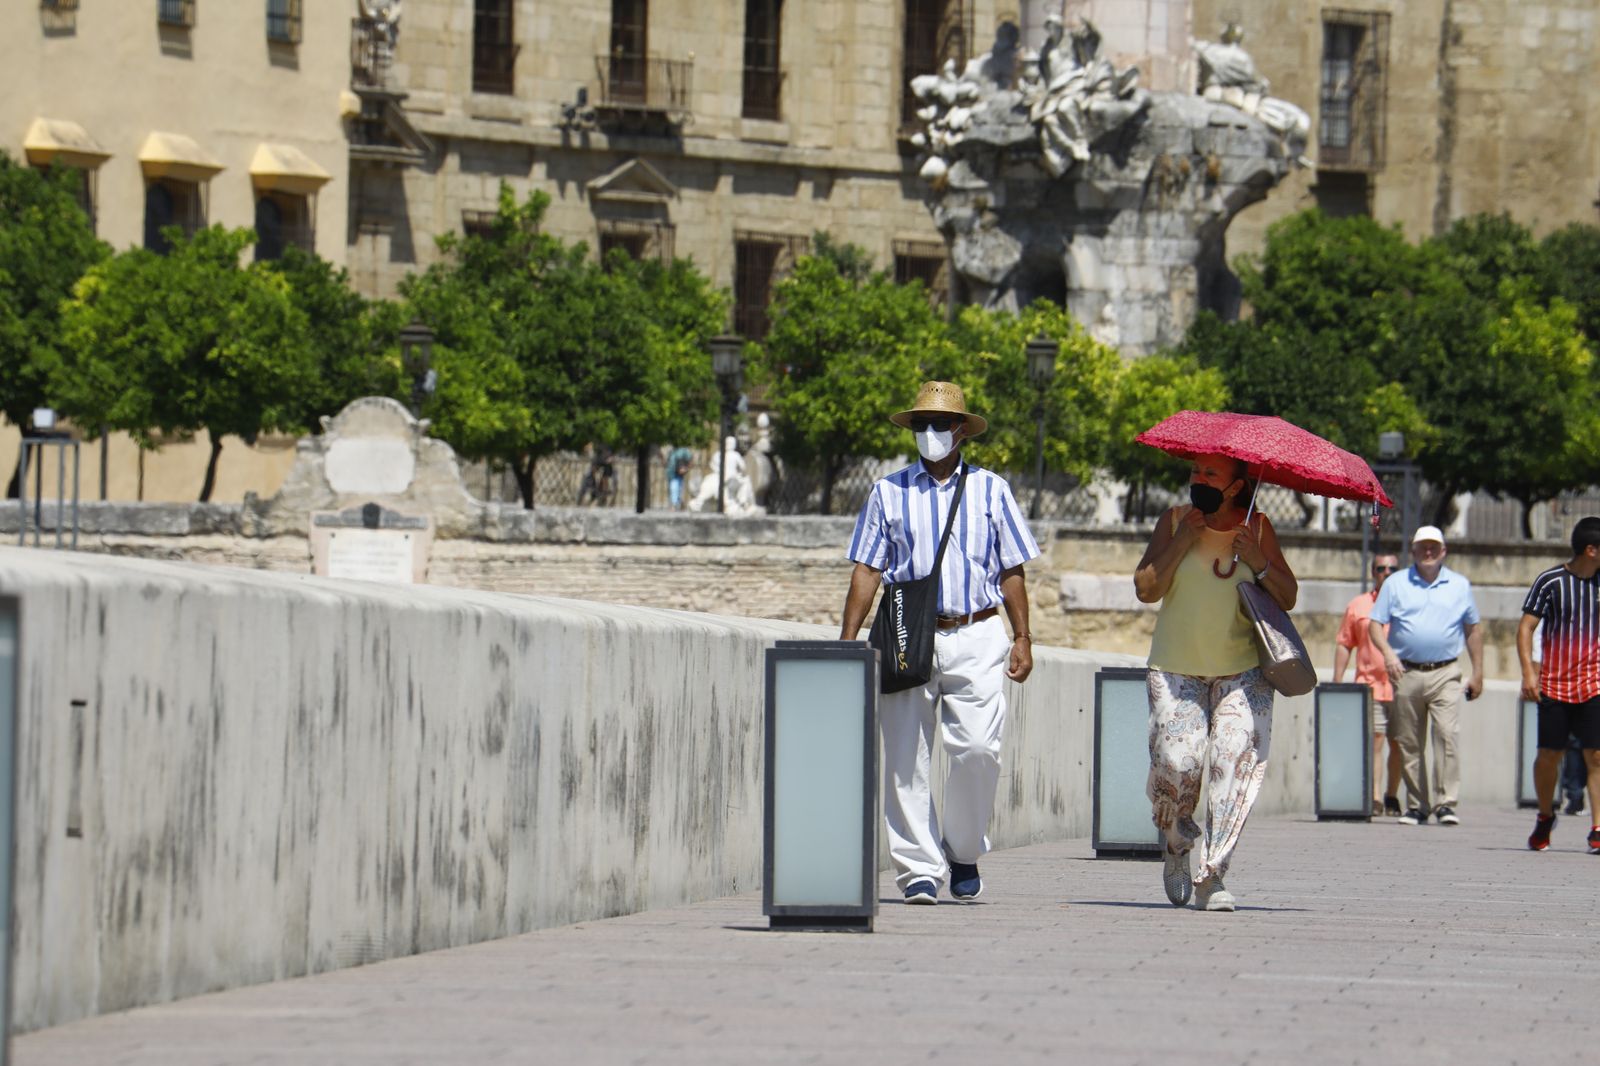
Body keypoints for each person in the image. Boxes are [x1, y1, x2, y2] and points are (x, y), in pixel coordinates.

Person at [839, 381, 1038, 905]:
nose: (929, 434)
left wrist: (1023, 636)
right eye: (920, 425)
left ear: (960, 431)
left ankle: (963, 849)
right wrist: (846, 642)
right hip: (907, 633)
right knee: (906, 755)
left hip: (976, 630)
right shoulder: (888, 491)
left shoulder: (992, 490)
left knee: (977, 750)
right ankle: (918, 870)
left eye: (938, 425)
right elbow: (867, 569)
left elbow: (1012, 569)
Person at [1133, 454, 1297, 912]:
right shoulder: (1175, 521)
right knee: (1178, 760)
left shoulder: (1258, 528)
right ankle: (1176, 840)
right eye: (1195, 472)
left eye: (1211, 475)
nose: (1198, 480)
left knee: (1234, 765)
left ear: (1237, 486)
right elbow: (1146, 587)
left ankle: (1212, 876)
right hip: (1175, 667)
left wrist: (1260, 562)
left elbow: (1289, 595)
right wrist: (1183, 539)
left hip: (1243, 673)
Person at [1368, 526, 1484, 827]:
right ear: (1413, 551)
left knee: (1447, 735)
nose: (1428, 552)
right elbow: (1375, 624)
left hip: (1446, 671)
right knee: (1409, 740)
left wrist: (1478, 673)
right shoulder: (1396, 583)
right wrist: (1389, 655)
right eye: (1422, 547)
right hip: (1406, 670)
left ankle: (1446, 803)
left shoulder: (1459, 585)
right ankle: (1417, 805)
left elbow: (1473, 629)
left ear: (1444, 550)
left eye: (1434, 546)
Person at [1517, 516, 1600, 852]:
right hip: (1553, 683)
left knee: (1596, 755)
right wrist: (1527, 673)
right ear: (1591, 550)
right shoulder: (1550, 581)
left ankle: (1597, 827)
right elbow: (1525, 628)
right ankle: (1545, 815)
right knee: (1549, 755)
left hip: (1594, 683)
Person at [1333, 552, 1404, 816]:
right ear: (1373, 573)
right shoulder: (1359, 605)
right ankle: (1374, 796)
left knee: (1399, 742)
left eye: (1392, 569)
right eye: (1381, 568)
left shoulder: (1407, 603)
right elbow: (1344, 643)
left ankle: (1392, 795)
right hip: (1369, 683)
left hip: (1401, 685)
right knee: (1375, 740)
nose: (1386, 573)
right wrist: (1338, 682)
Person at [665, 445, 694, 510]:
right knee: (675, 488)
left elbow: (690, 460)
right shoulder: (673, 450)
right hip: (672, 472)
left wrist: (686, 468)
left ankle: (676, 504)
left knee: (676, 488)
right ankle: (677, 504)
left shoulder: (683, 451)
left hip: (676, 473)